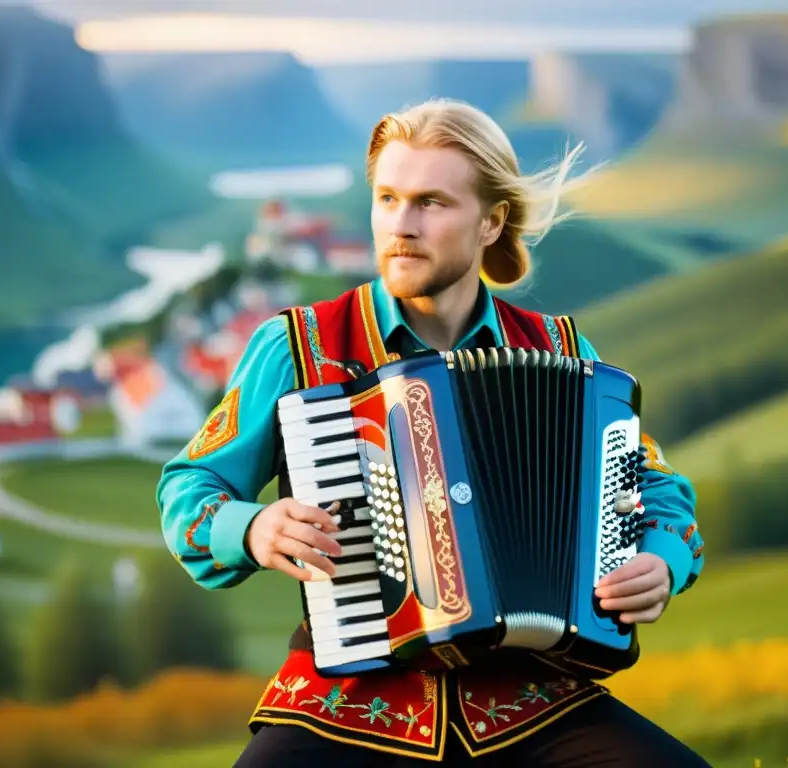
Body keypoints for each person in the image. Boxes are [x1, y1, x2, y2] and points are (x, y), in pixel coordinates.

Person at [156, 98, 709, 767]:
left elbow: (656, 487)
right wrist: (249, 527)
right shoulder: (297, 347)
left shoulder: (563, 354)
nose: (401, 225)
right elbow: (191, 484)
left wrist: (662, 561)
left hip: (528, 696)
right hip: (351, 700)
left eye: (430, 203)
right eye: (387, 198)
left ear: (490, 222)